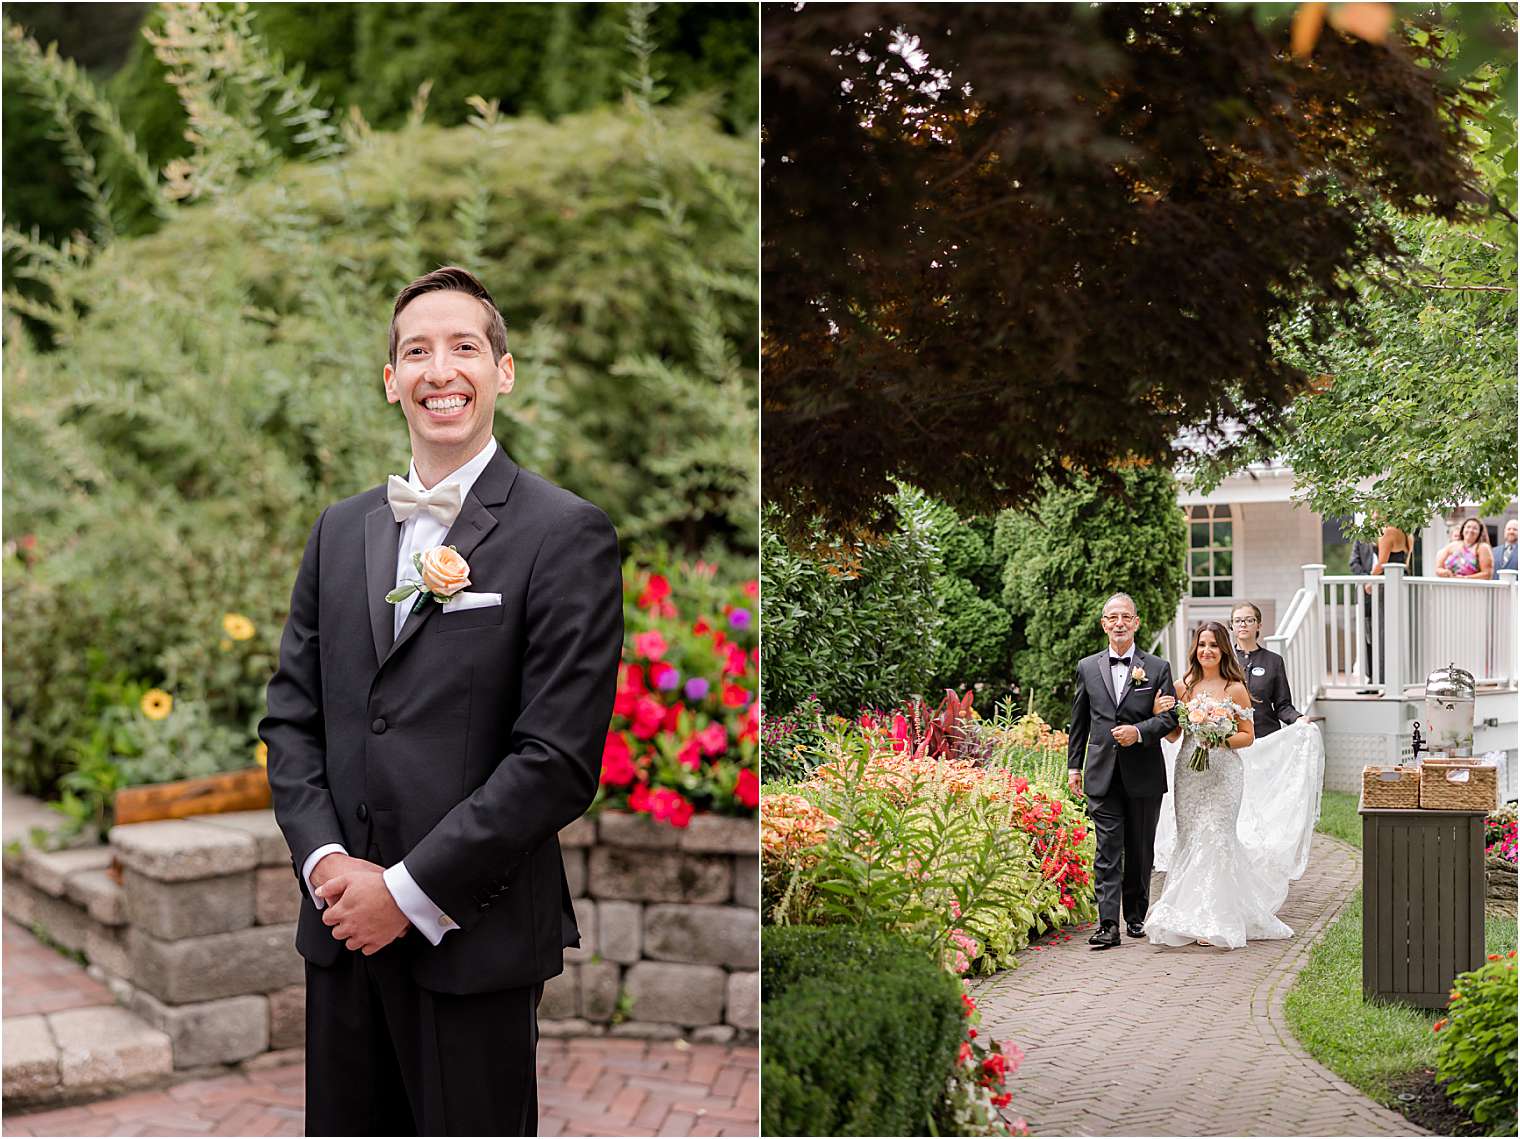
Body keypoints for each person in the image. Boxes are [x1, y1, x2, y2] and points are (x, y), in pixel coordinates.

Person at [260, 266, 624, 1136]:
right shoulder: (339, 530)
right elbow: (291, 717)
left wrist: (410, 890)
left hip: (473, 938)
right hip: (341, 928)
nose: (440, 368)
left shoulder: (564, 533)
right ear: (391, 382)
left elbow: (557, 761)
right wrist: (327, 868)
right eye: (416, 351)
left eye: (464, 346)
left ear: (504, 371)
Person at [1146, 622, 1292, 949]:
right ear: (1195, 650)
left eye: (1213, 645)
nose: (1207, 651)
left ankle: (1215, 917)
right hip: (1190, 772)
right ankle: (1189, 912)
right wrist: (1158, 711)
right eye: (1202, 645)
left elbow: (1248, 736)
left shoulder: (1235, 688)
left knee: (1216, 836)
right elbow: (1172, 735)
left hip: (1224, 773)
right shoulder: (1183, 686)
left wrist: (1218, 737)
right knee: (1191, 838)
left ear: (1223, 649)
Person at [1066, 593, 1178, 949]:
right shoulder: (1087, 667)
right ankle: (1108, 924)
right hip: (1101, 771)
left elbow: (1170, 719)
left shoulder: (1157, 668)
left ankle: (1135, 916)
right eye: (1112, 617)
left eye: (1125, 617)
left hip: (1143, 771)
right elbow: (1079, 721)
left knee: (1140, 848)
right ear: (1103, 624)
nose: (1119, 623)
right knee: (1107, 848)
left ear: (1136, 623)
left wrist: (1139, 732)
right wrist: (1073, 766)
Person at [1228, 602, 1299, 737]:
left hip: (1267, 738)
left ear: (1259, 625)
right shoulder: (1223, 660)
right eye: (1237, 620)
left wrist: (1298, 718)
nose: (1243, 624)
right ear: (1232, 626)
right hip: (1233, 738)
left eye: (1249, 620)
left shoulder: (1274, 661)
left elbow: (1283, 705)